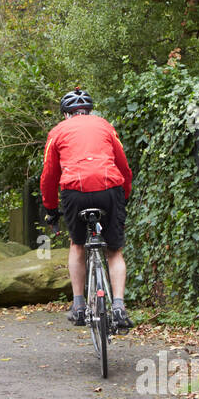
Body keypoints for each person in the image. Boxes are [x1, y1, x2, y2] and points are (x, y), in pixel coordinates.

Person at [39, 88, 133, 332]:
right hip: (110, 188)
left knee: (77, 244)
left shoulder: (57, 132)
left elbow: (49, 176)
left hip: (75, 191)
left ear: (66, 114)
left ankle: (79, 304)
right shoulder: (105, 126)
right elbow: (123, 166)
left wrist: (50, 208)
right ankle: (119, 306)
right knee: (114, 251)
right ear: (89, 111)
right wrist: (124, 196)